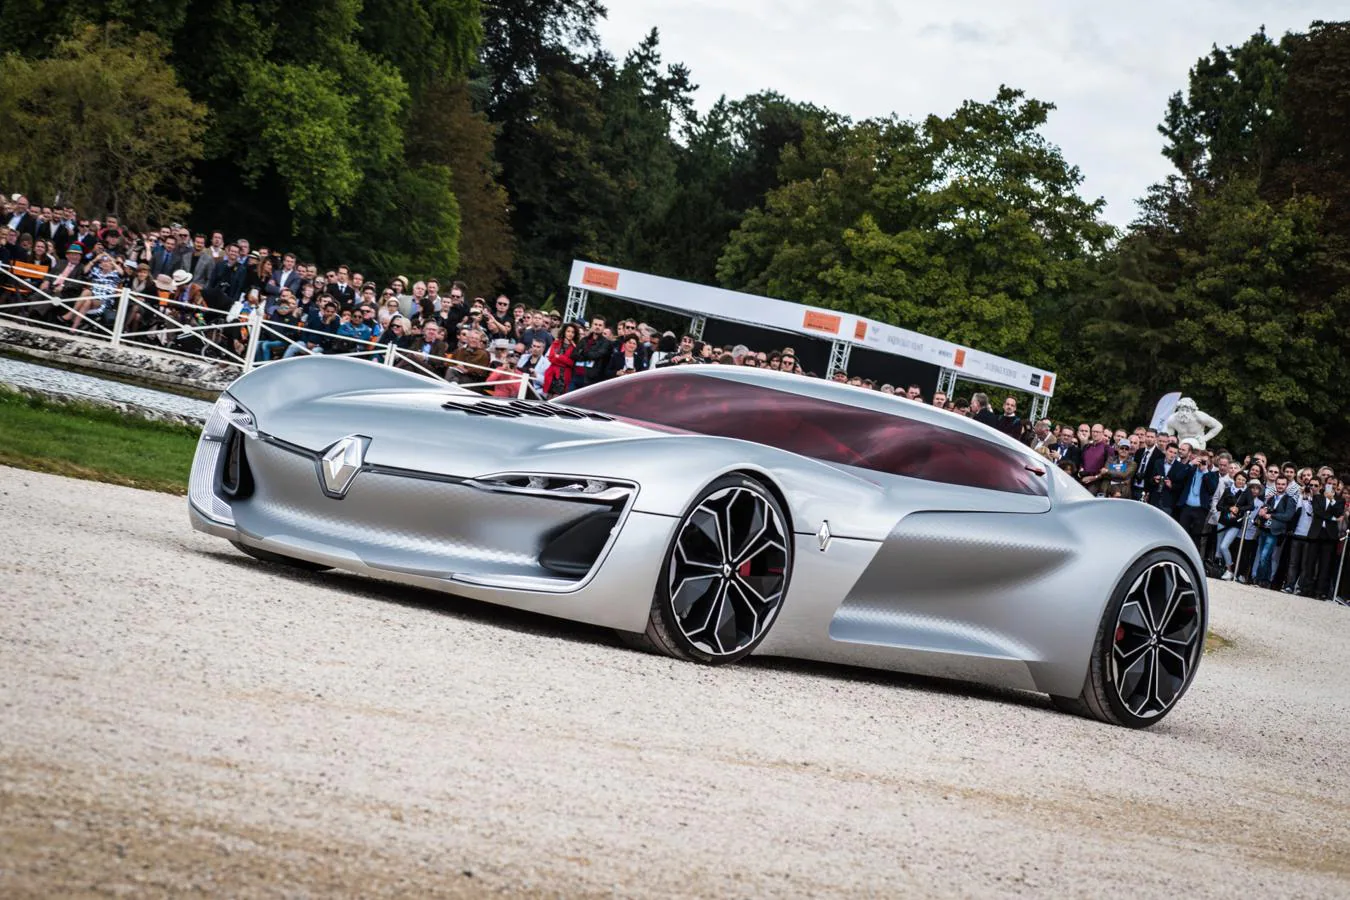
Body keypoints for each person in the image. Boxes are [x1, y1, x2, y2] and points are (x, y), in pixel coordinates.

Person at [542, 322, 580, 397]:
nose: (570, 334)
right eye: (568, 331)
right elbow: (551, 358)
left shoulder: (575, 347)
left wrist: (559, 357)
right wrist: (565, 361)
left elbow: (572, 363)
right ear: (564, 332)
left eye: (573, 332)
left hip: (564, 377)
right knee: (548, 398)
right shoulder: (556, 343)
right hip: (552, 375)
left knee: (556, 400)